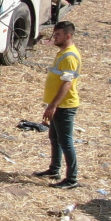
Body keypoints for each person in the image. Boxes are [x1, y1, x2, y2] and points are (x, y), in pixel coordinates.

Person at [35, 21, 82, 188]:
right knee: (54, 138)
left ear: (68, 36)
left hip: (65, 106)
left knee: (65, 141)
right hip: (58, 105)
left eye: (58, 35)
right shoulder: (63, 52)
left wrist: (53, 105)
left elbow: (66, 84)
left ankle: (72, 179)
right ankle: (54, 169)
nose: (54, 38)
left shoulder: (69, 57)